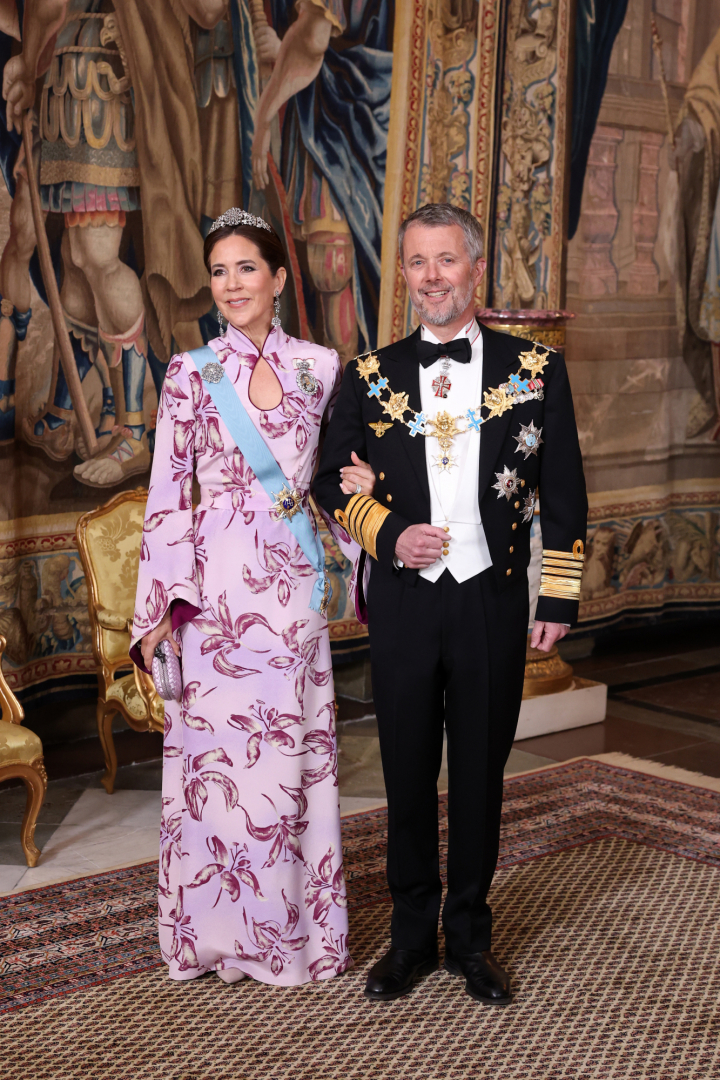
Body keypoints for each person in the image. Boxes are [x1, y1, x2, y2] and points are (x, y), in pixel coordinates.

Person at [313, 203, 587, 1005]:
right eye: (417, 263)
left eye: (446, 260)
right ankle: (409, 940)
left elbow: (563, 488)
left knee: (478, 776)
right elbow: (330, 479)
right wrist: (388, 532)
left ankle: (469, 937)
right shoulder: (366, 375)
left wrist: (559, 599)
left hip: (491, 599)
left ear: (474, 269)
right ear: (404, 274)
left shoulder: (536, 371)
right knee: (405, 774)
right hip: (402, 603)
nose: (431, 276)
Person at [130, 208, 371, 987]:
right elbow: (168, 495)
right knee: (218, 770)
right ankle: (215, 936)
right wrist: (167, 604)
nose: (232, 285)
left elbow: (336, 476)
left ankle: (296, 939)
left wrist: (366, 494)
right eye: (219, 272)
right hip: (215, 596)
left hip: (294, 589)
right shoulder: (188, 372)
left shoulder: (324, 367)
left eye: (246, 269)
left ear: (275, 278)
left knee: (290, 764)